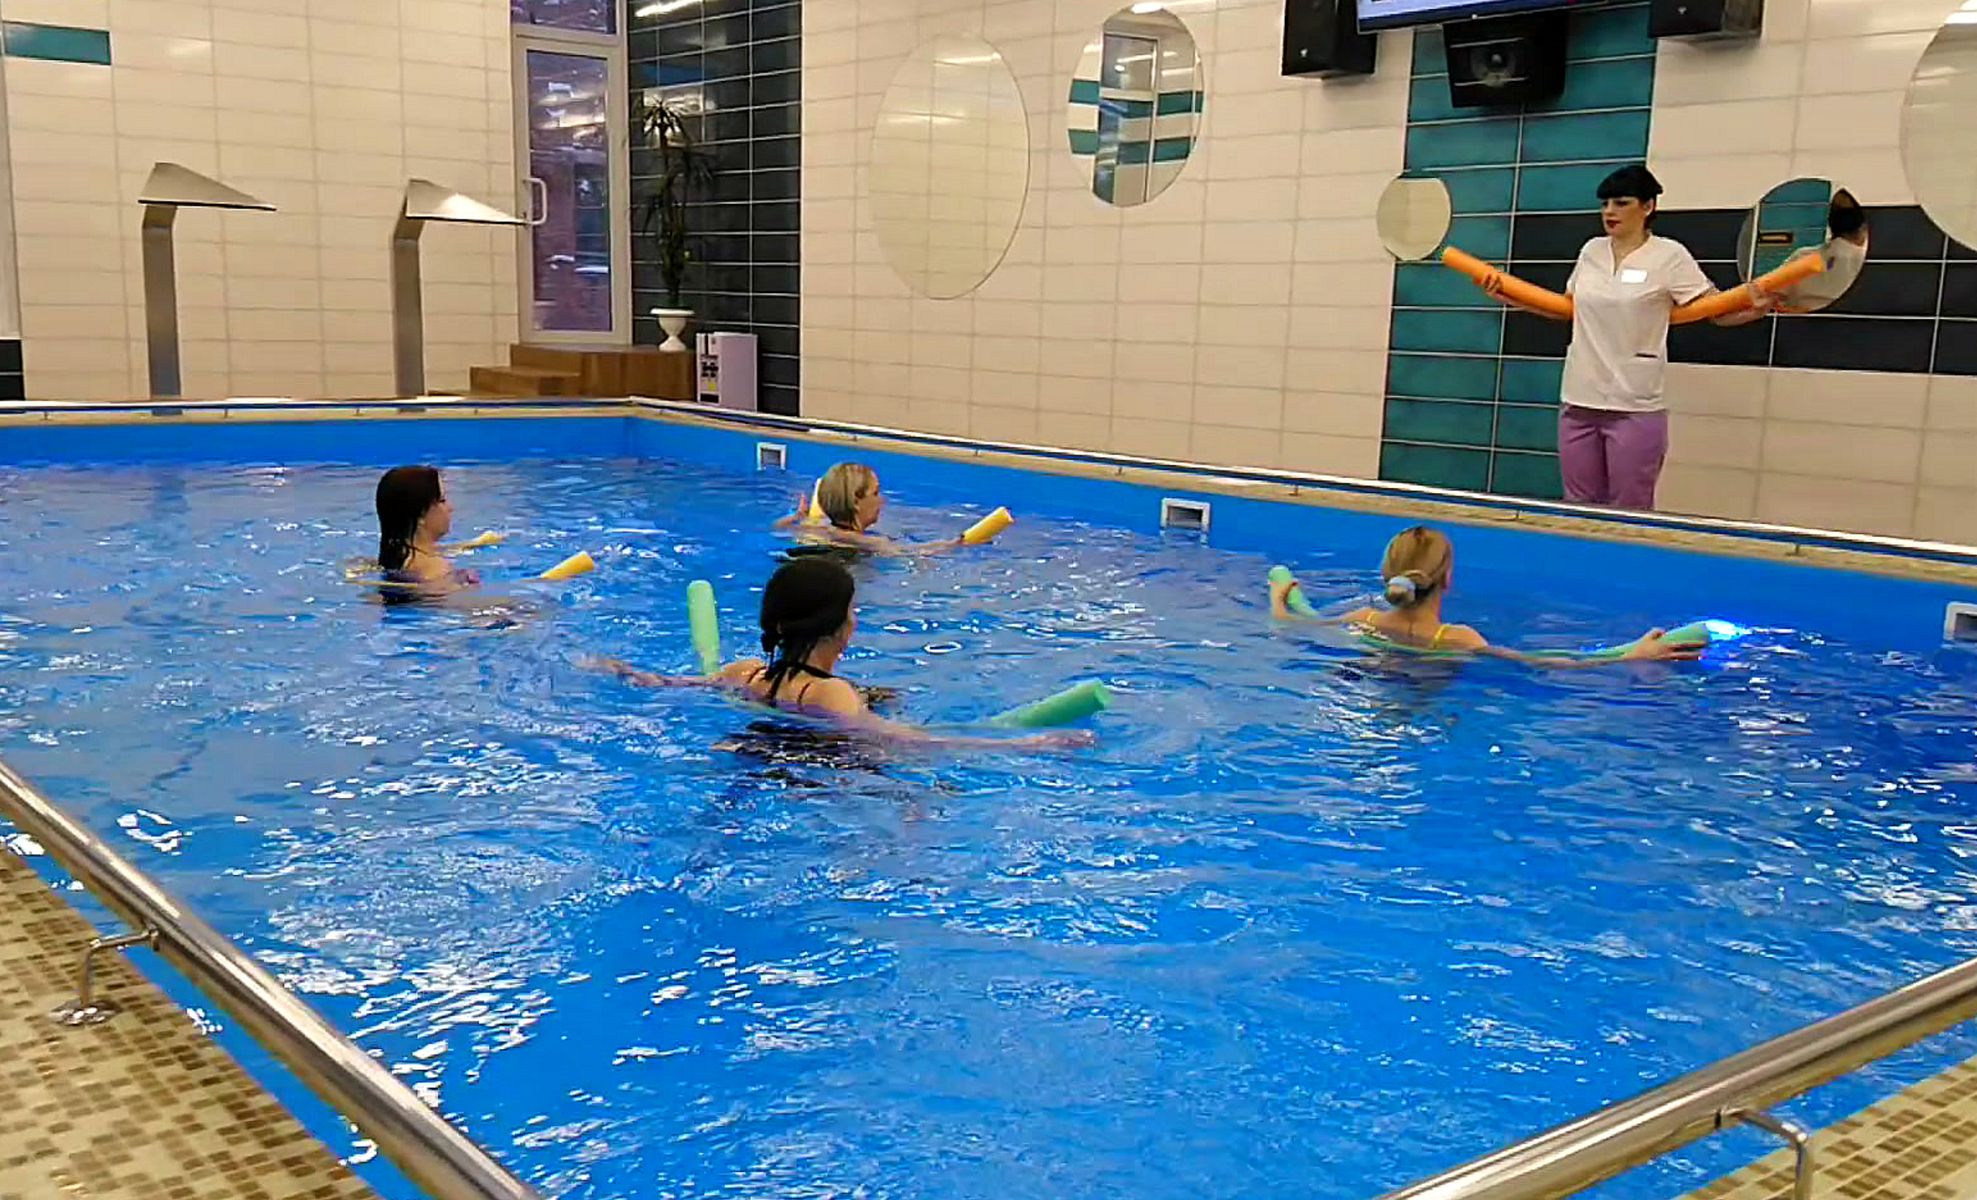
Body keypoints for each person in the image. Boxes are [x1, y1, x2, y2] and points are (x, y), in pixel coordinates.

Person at [1491, 164, 1775, 511]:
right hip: (1579, 399)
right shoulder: (1592, 251)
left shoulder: (1669, 256)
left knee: (1630, 508)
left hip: (1633, 406)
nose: (1609, 212)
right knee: (1577, 506)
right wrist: (1513, 298)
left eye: (1621, 203)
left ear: (1648, 206)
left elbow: (1714, 309)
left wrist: (1755, 309)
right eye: (1605, 204)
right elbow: (1568, 309)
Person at [590, 557, 1091, 748]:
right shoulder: (833, 695)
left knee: (886, 697)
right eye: (852, 610)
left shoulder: (746, 674)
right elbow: (907, 742)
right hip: (816, 773)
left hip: (757, 742)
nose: (856, 619)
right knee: (922, 800)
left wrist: (619, 670)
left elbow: (668, 685)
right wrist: (1025, 745)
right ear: (836, 628)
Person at [1270, 525, 1699, 667]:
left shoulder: (1362, 619)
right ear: (1447, 580)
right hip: (1428, 709)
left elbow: (1293, 622)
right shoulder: (1459, 639)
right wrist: (1633, 654)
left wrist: (1280, 594)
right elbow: (1548, 663)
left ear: (1387, 576)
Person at [775, 462, 961, 557]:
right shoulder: (868, 542)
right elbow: (910, 552)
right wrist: (955, 544)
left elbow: (778, 527)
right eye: (876, 493)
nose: (882, 500)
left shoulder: (815, 528)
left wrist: (797, 516)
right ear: (856, 502)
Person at [374, 465, 479, 601]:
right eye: (442, 501)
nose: (450, 508)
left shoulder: (394, 560)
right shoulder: (434, 570)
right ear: (421, 514)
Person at [1772, 188, 1868, 313]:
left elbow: (1771, 294)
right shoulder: (1866, 262)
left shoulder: (1801, 257)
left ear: (1830, 224)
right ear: (1863, 227)